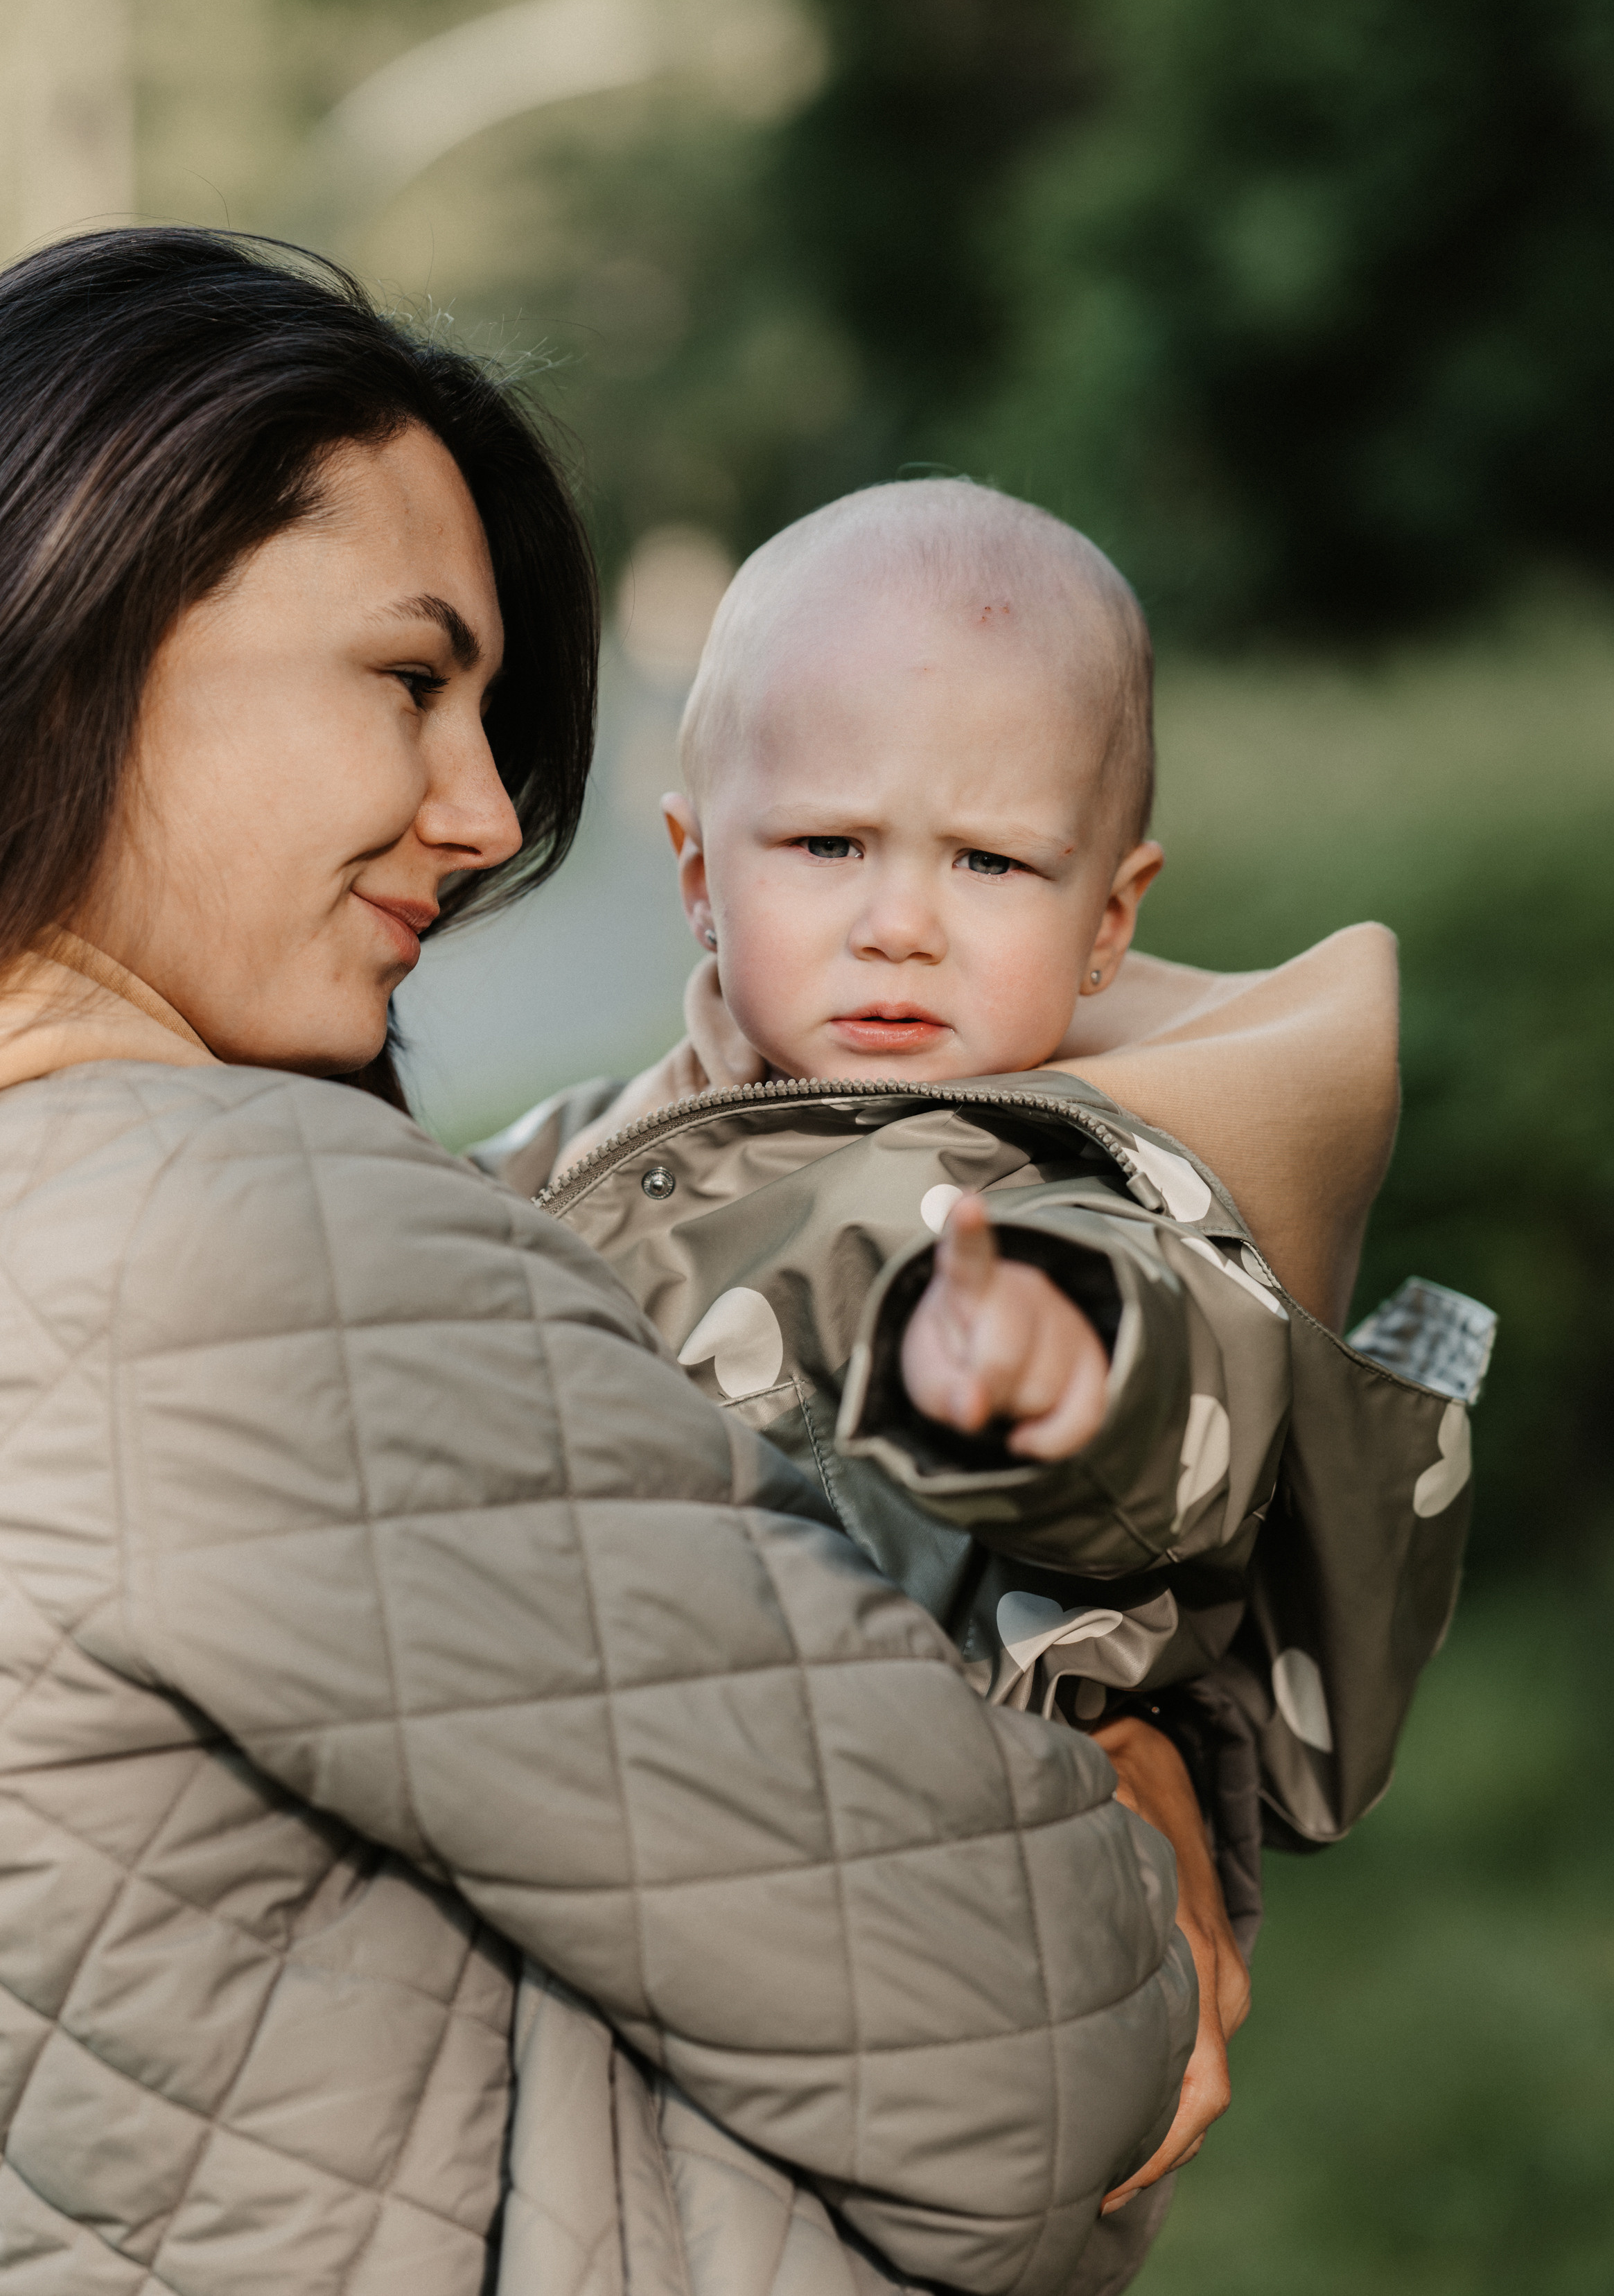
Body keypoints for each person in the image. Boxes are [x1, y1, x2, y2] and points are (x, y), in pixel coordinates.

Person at [0, 229, 1218, 2296]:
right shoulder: (242, 1246)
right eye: (407, 677)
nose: (482, 813)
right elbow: (1055, 2052)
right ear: (87, 602)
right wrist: (1128, 1807)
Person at [479, 482, 1493, 2259]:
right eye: (827, 847)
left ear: (1110, 920)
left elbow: (1181, 1418)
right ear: (698, 867)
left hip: (936, 1991)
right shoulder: (580, 1147)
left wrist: (1046, 1369)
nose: (901, 923)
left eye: (992, 864)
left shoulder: (1059, 1187)